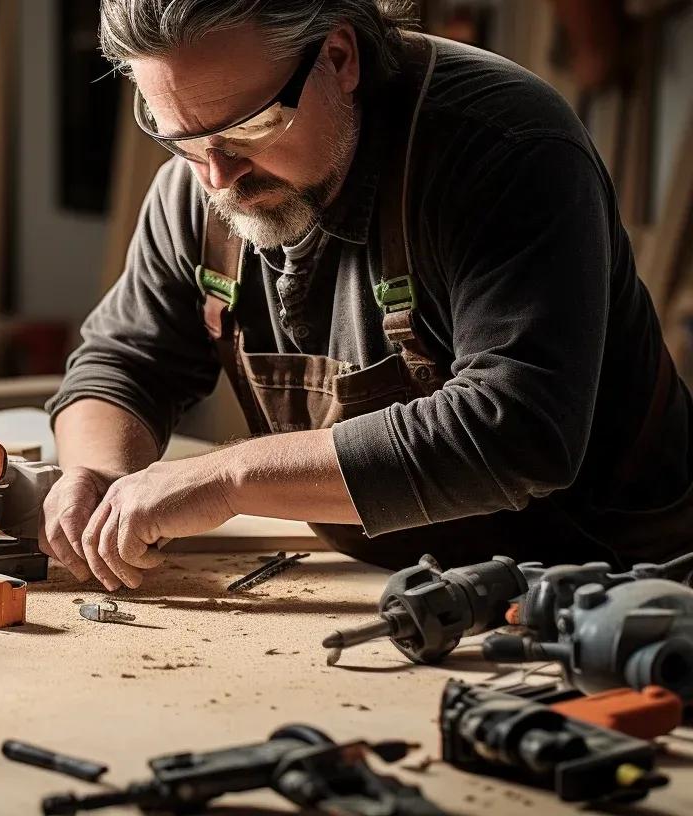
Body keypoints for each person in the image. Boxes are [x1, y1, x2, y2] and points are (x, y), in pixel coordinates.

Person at [41, 0, 693, 592]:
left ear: (339, 57)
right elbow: (121, 363)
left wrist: (228, 477)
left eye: (250, 128)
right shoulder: (202, 186)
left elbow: (516, 431)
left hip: (606, 587)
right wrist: (94, 477)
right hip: (386, 584)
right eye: (180, 137)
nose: (216, 176)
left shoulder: (505, 150)